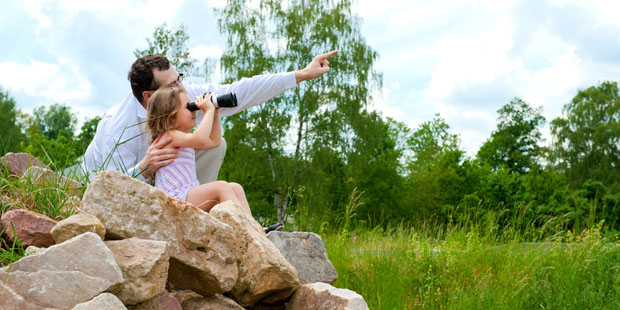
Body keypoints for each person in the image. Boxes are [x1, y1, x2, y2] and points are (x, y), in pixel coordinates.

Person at [81, 51, 338, 184]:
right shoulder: (119, 128)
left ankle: (194, 212)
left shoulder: (181, 94)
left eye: (179, 78)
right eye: (173, 84)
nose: (182, 88)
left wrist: (301, 74)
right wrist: (143, 169)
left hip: (162, 187)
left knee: (217, 145)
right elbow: (107, 189)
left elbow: (240, 91)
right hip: (116, 188)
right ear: (148, 96)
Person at [147, 86, 250, 213]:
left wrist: (215, 113)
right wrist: (208, 111)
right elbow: (200, 139)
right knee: (221, 186)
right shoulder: (170, 136)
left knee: (235, 187)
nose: (194, 111)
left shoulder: (181, 138)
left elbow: (214, 141)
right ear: (171, 116)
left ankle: (253, 227)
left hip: (186, 195)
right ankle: (243, 227)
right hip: (174, 199)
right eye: (188, 107)